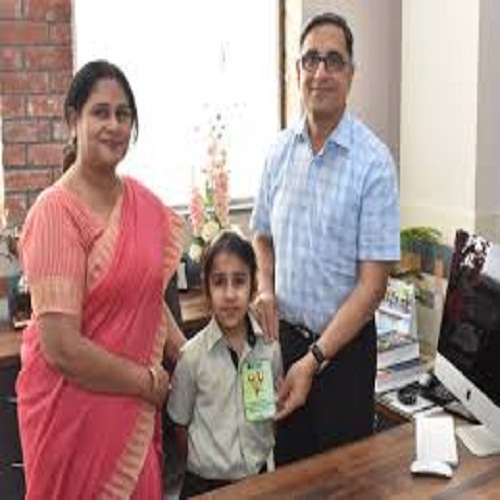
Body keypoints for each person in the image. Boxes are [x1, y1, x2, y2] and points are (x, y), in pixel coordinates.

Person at [16, 60, 186, 499]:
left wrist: (191, 355)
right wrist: (147, 383)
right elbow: (62, 348)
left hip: (131, 420)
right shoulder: (55, 212)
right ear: (73, 120)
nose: (113, 125)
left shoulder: (143, 204)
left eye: (123, 114)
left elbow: (145, 297)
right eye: (100, 112)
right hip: (72, 421)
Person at [251, 12, 400, 465]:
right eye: (311, 59)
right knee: (288, 473)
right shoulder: (278, 152)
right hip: (286, 346)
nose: (321, 72)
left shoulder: (373, 163)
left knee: (343, 481)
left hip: (344, 357)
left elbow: (373, 287)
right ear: (296, 71)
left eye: (334, 61)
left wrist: (315, 359)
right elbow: (261, 234)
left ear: (351, 74)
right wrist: (265, 287)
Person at [167, 230, 282, 498]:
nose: (230, 294)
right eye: (219, 282)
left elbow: (271, 416)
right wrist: (204, 465)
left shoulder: (270, 349)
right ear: (207, 289)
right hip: (204, 484)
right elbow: (180, 425)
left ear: (253, 287)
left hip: (258, 479)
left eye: (239, 281)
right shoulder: (191, 357)